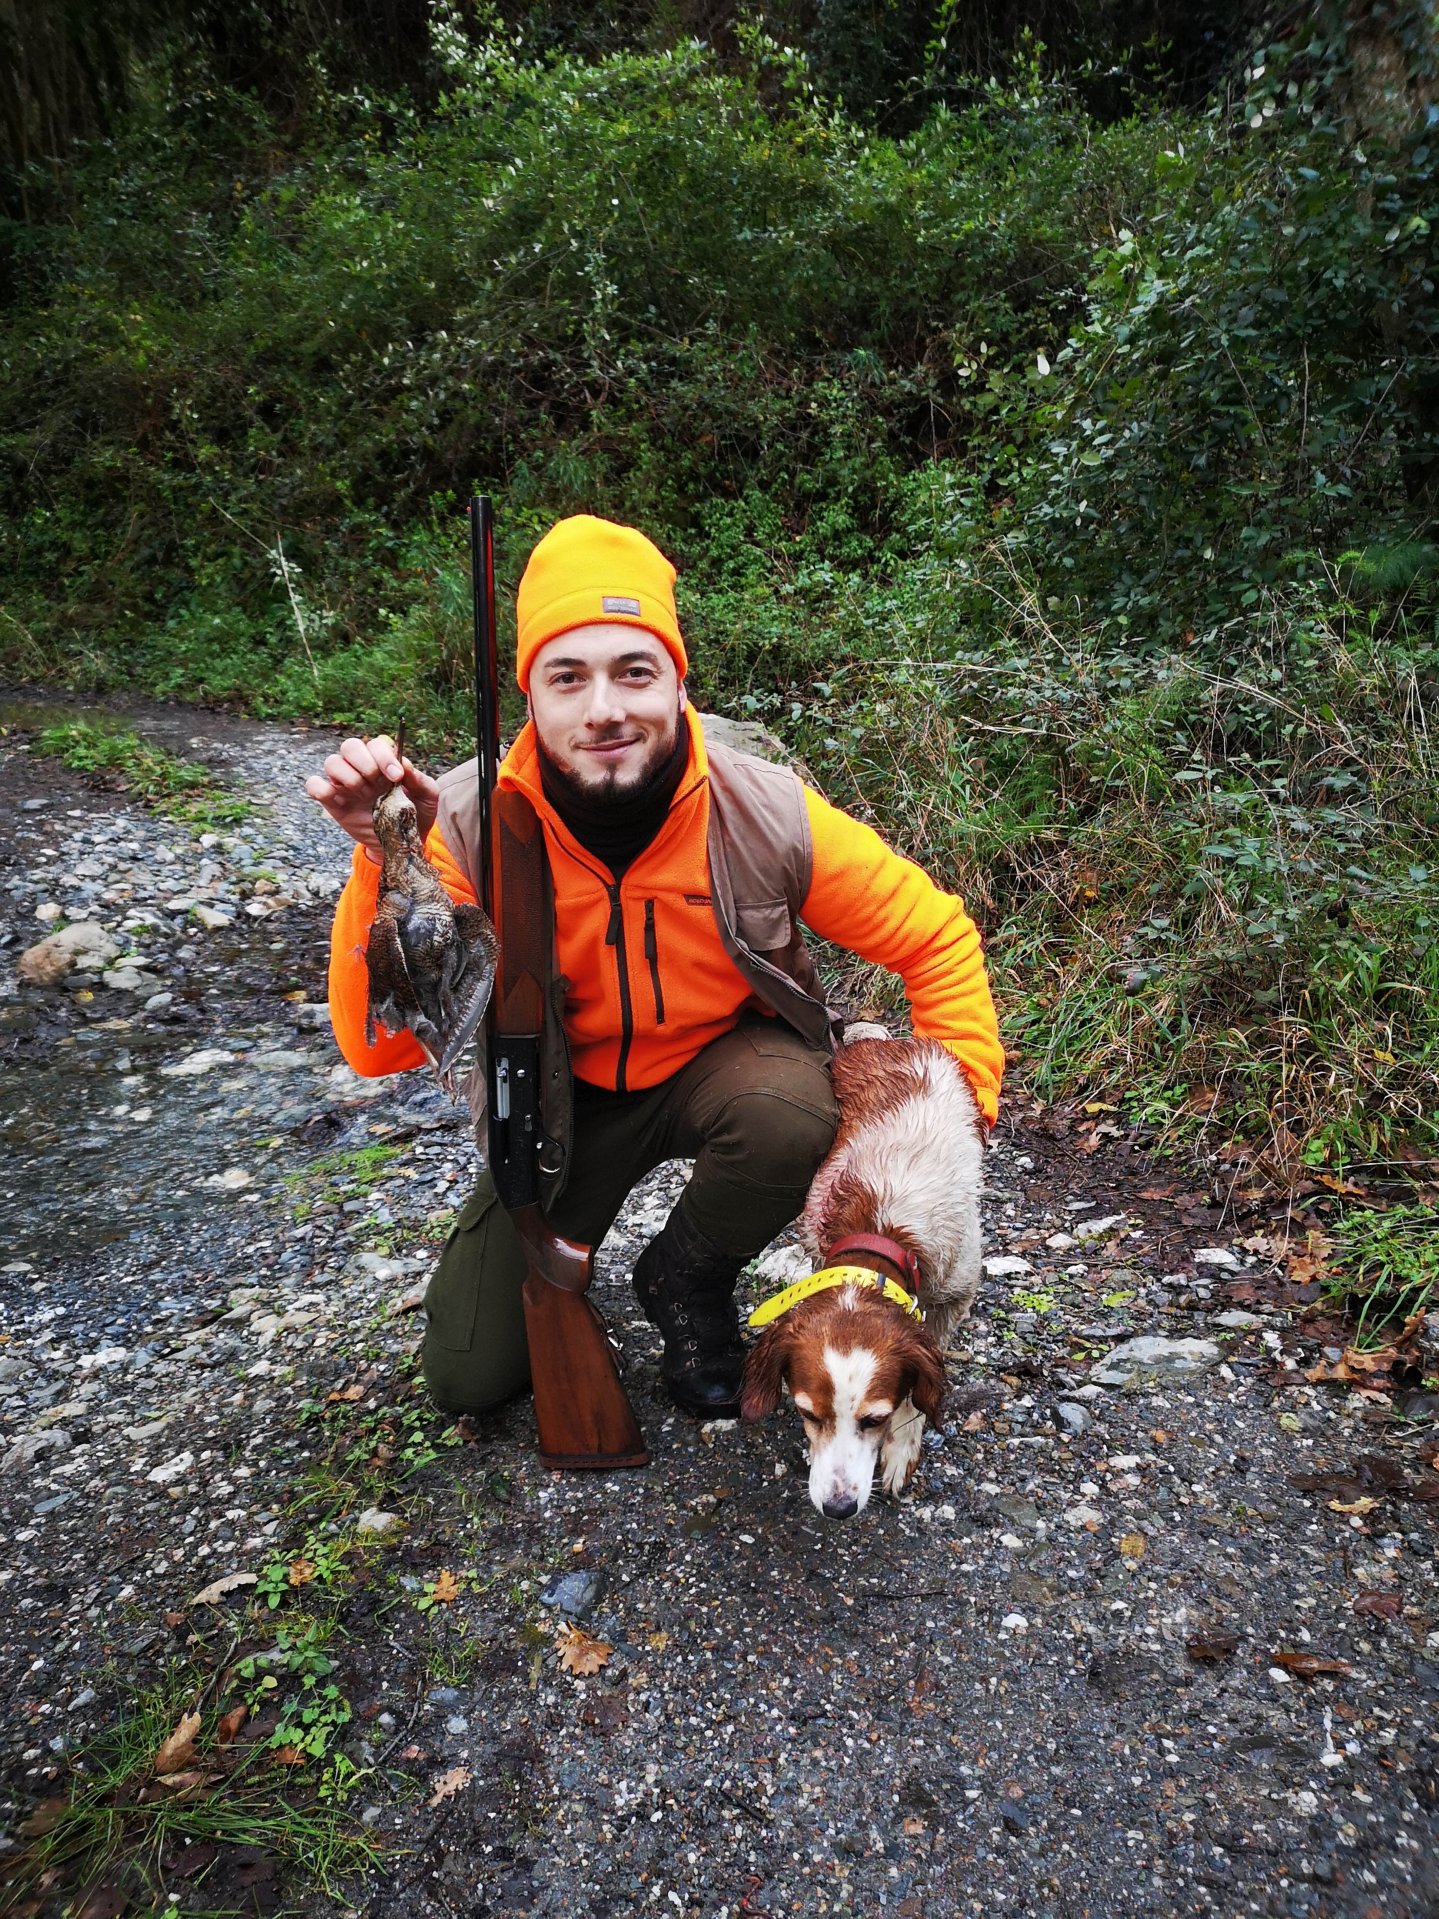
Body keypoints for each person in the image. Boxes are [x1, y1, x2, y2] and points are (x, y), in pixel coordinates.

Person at [306, 513, 1003, 1421]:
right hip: (558, 1108)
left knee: (793, 1112)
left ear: (679, 683)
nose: (604, 709)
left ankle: (685, 1280)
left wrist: (961, 1125)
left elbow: (936, 939)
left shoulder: (764, 810)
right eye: (568, 677)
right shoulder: (463, 824)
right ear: (531, 698)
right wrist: (384, 856)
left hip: (730, 1076)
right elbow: (379, 1052)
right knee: (467, 1374)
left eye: (634, 672)